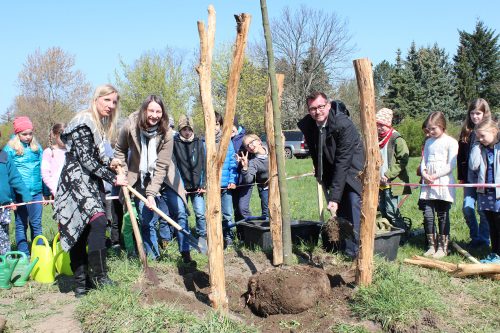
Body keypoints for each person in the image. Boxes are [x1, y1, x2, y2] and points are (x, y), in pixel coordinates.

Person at [53, 84, 127, 297]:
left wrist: (111, 161)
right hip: (75, 182)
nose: (111, 106)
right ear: (96, 99)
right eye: (107, 100)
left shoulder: (98, 125)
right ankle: (89, 280)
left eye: (114, 102)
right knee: (89, 225)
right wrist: (114, 179)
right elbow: (85, 158)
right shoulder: (83, 121)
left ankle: (89, 281)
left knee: (92, 225)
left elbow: (97, 155)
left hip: (90, 181)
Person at [114, 95, 191, 262]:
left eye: (158, 111)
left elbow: (162, 165)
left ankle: (186, 253)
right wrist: (123, 172)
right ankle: (154, 259)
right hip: (140, 178)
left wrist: (152, 194)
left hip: (166, 177)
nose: (155, 115)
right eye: (151, 111)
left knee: (179, 212)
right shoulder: (130, 126)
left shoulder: (167, 132)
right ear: (144, 110)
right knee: (146, 220)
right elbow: (119, 150)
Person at [297, 92, 364, 257]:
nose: (317, 112)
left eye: (320, 107)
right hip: (331, 172)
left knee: (352, 208)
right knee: (340, 214)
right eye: (312, 108)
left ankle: (355, 252)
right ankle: (343, 248)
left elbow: (343, 161)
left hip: (352, 172)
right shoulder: (310, 125)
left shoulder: (344, 125)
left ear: (328, 105)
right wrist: (319, 172)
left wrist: (334, 197)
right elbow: (315, 151)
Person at [3, 116, 44, 257]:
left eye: (30, 133)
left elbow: (42, 169)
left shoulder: (37, 148)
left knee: (36, 224)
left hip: (36, 192)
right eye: (24, 134)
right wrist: (11, 197)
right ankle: (24, 255)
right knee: (21, 224)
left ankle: (39, 253)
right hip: (19, 194)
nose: (28, 137)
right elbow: (7, 175)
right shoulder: (9, 149)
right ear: (17, 134)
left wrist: (44, 192)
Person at [420, 111, 458, 258]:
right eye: (428, 129)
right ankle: (432, 245)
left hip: (442, 183)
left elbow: (451, 164)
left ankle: (443, 247)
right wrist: (425, 173)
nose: (430, 131)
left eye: (433, 128)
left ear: (442, 126)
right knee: (428, 215)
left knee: (442, 215)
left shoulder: (451, 142)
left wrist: (435, 176)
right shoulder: (428, 142)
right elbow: (424, 160)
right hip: (428, 184)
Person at [458, 98, 491, 248]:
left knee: (483, 211)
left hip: (485, 179)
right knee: (467, 207)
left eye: (478, 113)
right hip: (469, 179)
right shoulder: (467, 132)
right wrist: (461, 178)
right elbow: (461, 157)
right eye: (472, 113)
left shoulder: (491, 132)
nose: (475, 117)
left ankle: (483, 240)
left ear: (485, 113)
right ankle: (475, 236)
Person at [469, 117, 500, 263]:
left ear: (494, 131)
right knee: (492, 224)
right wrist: (476, 144)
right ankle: (495, 252)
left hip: (498, 194)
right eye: (478, 137)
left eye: (483, 136)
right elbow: (474, 165)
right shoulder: (480, 148)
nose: (480, 139)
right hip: (486, 193)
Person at [376, 108, 411, 231]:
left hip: (392, 182)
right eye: (377, 125)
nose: (379, 128)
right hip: (380, 183)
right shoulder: (376, 139)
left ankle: (402, 233)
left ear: (388, 124)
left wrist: (388, 174)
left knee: (392, 212)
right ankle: (391, 234)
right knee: (383, 211)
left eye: (381, 125)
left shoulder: (397, 139)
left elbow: (403, 160)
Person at [173, 115, 207, 239]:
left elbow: (204, 163)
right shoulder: (174, 143)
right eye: (184, 129)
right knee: (181, 213)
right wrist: (180, 185)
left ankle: (202, 236)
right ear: (180, 130)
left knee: (200, 213)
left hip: (197, 186)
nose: (187, 132)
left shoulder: (199, 142)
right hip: (182, 186)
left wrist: (203, 184)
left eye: (189, 129)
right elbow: (174, 166)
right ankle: (184, 237)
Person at [0, 130, 32, 255]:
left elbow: (15, 178)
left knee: (3, 236)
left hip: (4, 206)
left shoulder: (4, 157)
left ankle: (4, 264)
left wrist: (26, 194)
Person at [214, 112, 238, 248]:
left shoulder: (227, 142)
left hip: (226, 186)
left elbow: (232, 164)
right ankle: (216, 237)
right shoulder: (204, 142)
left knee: (227, 213)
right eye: (212, 124)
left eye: (217, 124)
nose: (215, 127)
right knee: (213, 213)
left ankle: (228, 237)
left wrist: (232, 180)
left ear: (221, 125)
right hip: (212, 186)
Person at [237, 134, 269, 221]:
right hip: (265, 189)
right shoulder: (253, 162)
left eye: (251, 142)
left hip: (279, 186)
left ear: (259, 141)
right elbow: (248, 180)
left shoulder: (272, 151)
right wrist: (245, 167)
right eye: (247, 146)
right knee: (267, 214)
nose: (250, 147)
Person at [41, 123, 66, 197]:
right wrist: (55, 190)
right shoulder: (48, 152)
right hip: (58, 193)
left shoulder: (72, 151)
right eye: (62, 137)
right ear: (55, 135)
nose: (65, 140)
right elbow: (45, 174)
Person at [231, 116, 246, 222]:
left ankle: (246, 231)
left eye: (232, 127)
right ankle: (239, 233)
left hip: (243, 178)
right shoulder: (225, 138)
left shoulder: (244, 139)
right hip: (230, 178)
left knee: (242, 207)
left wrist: (242, 160)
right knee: (235, 206)